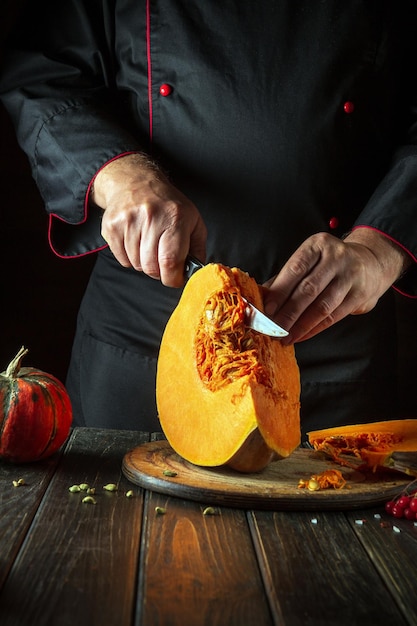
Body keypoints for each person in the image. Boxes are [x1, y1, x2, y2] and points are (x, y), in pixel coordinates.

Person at [1, 1, 416, 439]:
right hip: (142, 339)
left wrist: (380, 248)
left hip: (339, 348)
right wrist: (121, 176)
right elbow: (40, 71)